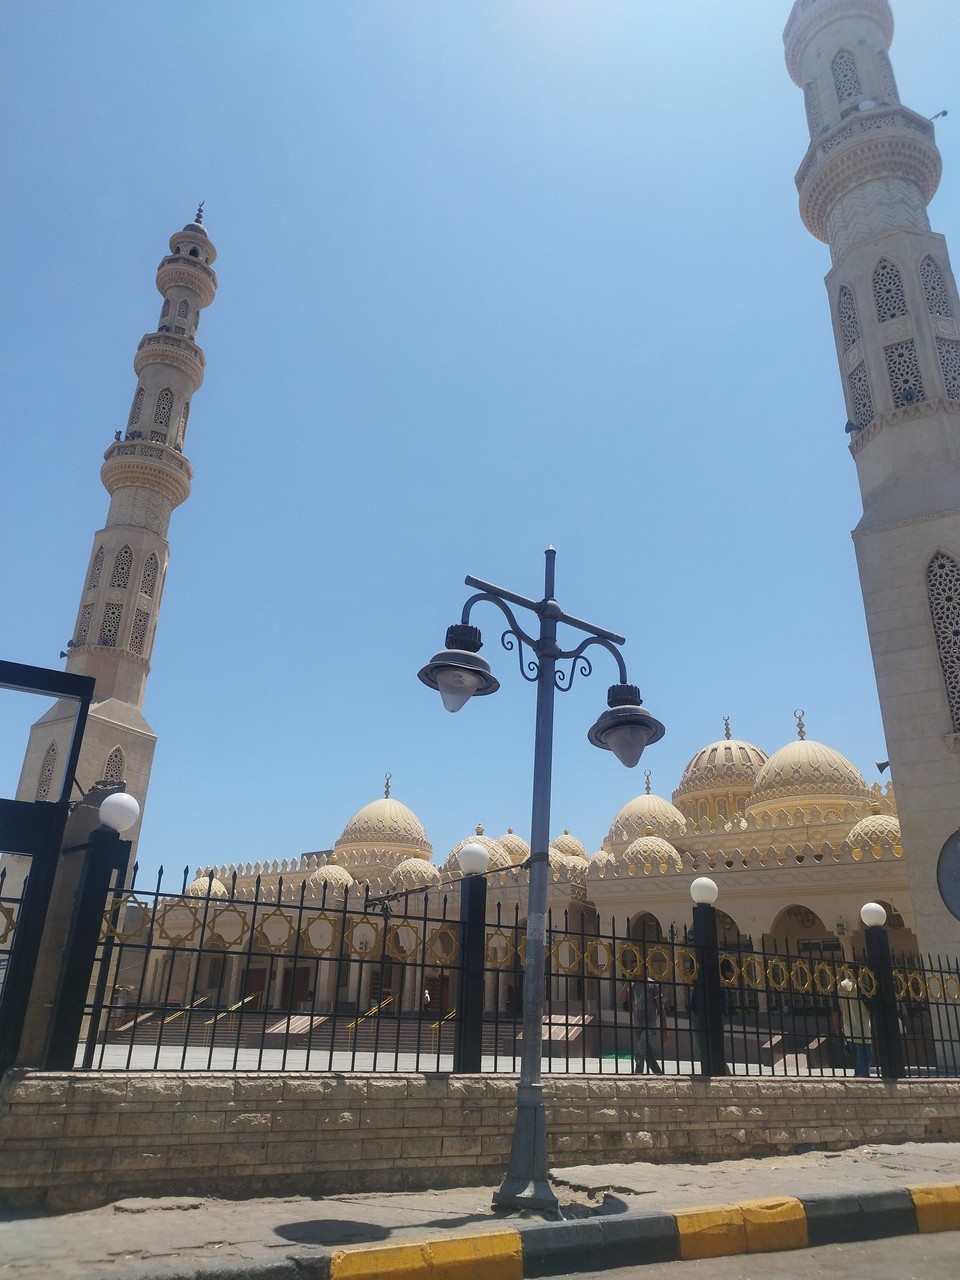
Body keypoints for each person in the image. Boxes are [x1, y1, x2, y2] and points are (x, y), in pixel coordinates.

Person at [619, 976, 665, 1074]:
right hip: (638, 1024)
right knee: (649, 1056)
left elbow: (661, 1007)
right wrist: (627, 981)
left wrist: (665, 1030)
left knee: (639, 1052)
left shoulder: (652, 984)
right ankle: (659, 1075)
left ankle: (637, 1076)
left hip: (649, 1025)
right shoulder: (632, 985)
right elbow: (621, 999)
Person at [837, 977, 873, 1077]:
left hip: (848, 1029)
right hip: (863, 1029)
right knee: (865, 1057)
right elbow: (872, 1007)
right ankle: (862, 1079)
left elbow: (835, 1011)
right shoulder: (861, 987)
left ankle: (859, 1076)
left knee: (857, 1057)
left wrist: (838, 1030)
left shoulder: (840, 987)